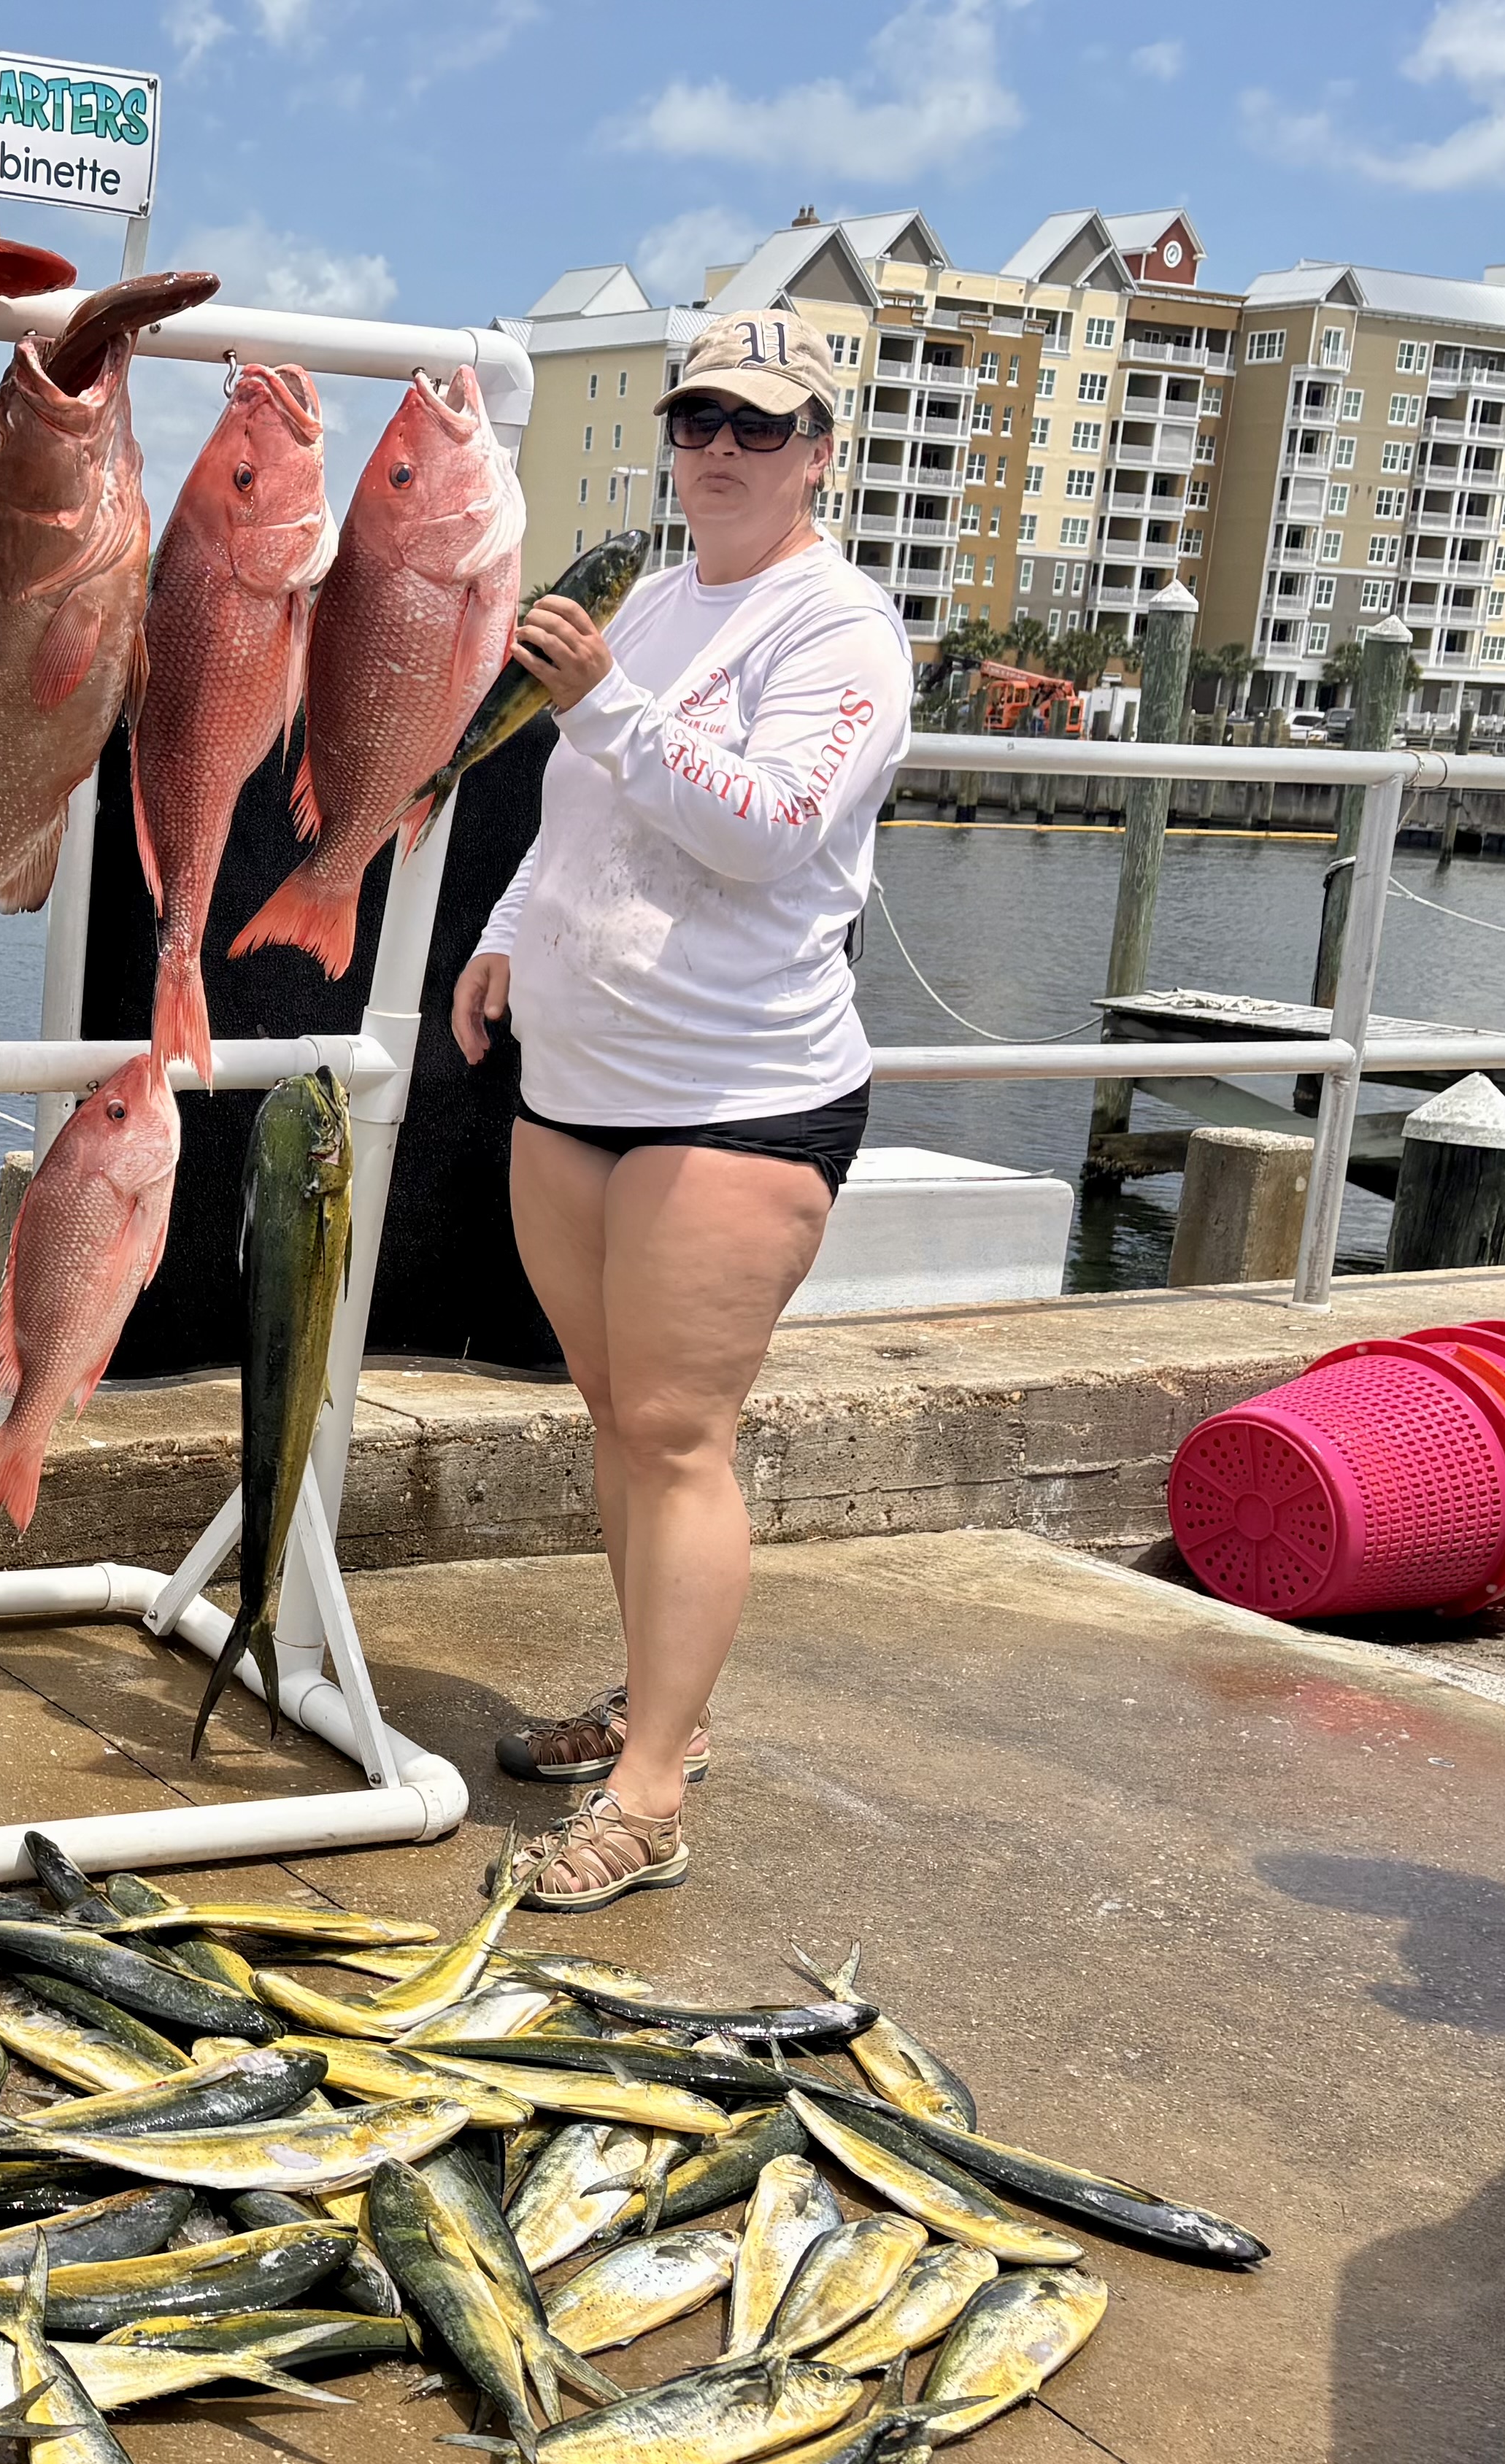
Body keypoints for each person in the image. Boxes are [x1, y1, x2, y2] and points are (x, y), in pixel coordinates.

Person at [449, 311, 912, 1909]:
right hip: (576, 1084)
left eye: (759, 426)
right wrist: (506, 932)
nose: (720, 448)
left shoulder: (839, 629)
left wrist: (605, 704)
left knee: (674, 1430)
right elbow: (575, 814)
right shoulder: (653, 602)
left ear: (818, 455)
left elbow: (771, 829)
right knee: (613, 1413)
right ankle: (661, 1704)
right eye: (697, 418)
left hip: (738, 1093)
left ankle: (651, 1796)